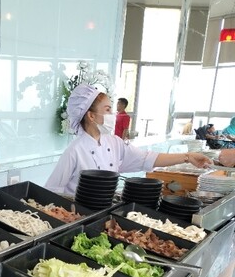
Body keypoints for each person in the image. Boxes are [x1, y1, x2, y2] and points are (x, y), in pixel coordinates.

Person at [45, 84, 213, 196]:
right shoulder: (75, 150)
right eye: (108, 110)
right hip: (80, 217)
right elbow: (52, 190)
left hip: (104, 212)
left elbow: (147, 158)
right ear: (91, 115)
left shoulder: (114, 142)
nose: (113, 114)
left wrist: (187, 157)